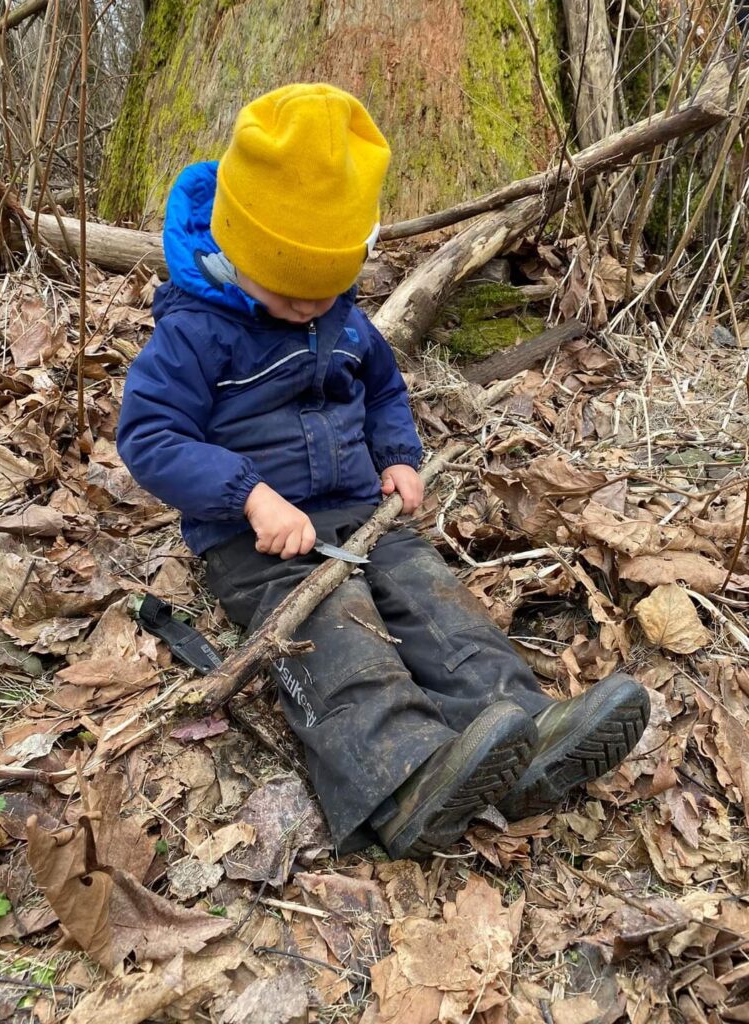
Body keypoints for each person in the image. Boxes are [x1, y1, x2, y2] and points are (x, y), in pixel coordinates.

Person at [117, 83, 650, 858]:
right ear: (238, 251)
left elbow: (381, 387)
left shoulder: (341, 317)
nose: (312, 307)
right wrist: (250, 496)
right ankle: (403, 777)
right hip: (259, 545)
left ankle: (525, 731)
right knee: (339, 640)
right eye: (291, 290)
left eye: (328, 288)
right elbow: (151, 437)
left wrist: (398, 458)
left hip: (361, 512)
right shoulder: (196, 334)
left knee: (437, 608)